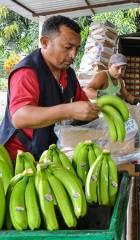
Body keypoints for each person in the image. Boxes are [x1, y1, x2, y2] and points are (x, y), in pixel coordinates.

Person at [0, 15, 100, 160]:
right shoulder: (27, 72)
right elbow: (19, 117)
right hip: (20, 157)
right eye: (67, 47)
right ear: (45, 42)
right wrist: (69, 110)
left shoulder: (69, 74)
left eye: (76, 48)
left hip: (49, 153)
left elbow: (82, 104)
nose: (73, 55)